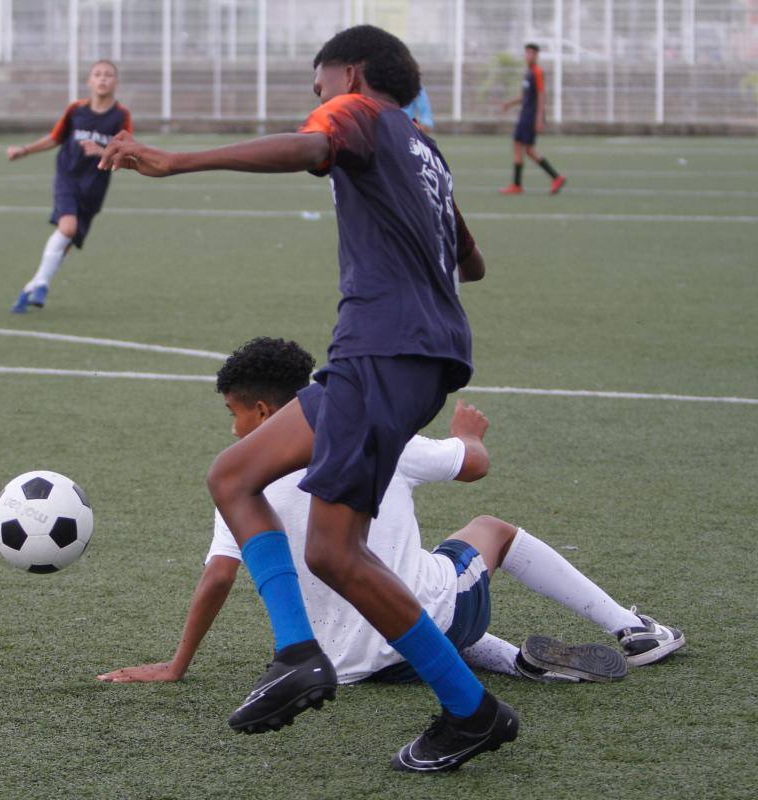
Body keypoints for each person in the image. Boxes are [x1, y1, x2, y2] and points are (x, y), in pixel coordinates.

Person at [99, 25, 512, 772]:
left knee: (331, 552)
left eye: (318, 84)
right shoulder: (425, 150)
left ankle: (468, 710)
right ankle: (298, 654)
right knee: (234, 475)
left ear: (350, 73)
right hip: (409, 354)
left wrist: (177, 160)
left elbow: (308, 146)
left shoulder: (356, 113)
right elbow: (471, 262)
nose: (315, 99)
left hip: (383, 349)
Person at [96, 337, 685, 690]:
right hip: (411, 631)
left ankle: (515, 663)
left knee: (412, 580)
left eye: (233, 413)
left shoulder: (239, 483)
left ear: (262, 410)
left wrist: (176, 665)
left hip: (345, 666)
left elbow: (219, 576)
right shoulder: (371, 434)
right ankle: (634, 631)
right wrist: (467, 434)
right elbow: (473, 466)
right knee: (489, 532)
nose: (232, 429)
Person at [5, 61, 132, 313]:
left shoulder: (121, 116)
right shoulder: (76, 110)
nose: (103, 79)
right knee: (68, 228)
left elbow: (128, 153)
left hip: (94, 187)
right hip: (68, 177)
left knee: (65, 242)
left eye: (108, 75)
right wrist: (24, 150)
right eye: (97, 74)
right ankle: (42, 285)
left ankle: (31, 287)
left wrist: (103, 151)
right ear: (89, 81)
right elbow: (55, 138)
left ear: (116, 83)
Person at [500, 43, 565, 195]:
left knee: (527, 149)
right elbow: (524, 96)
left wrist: (539, 119)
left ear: (536, 55)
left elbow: (541, 95)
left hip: (530, 116)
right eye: (527, 53)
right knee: (521, 147)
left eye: (531, 53)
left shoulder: (537, 72)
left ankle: (555, 177)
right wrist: (510, 103)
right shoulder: (528, 72)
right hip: (525, 115)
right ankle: (519, 184)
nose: (528, 56)